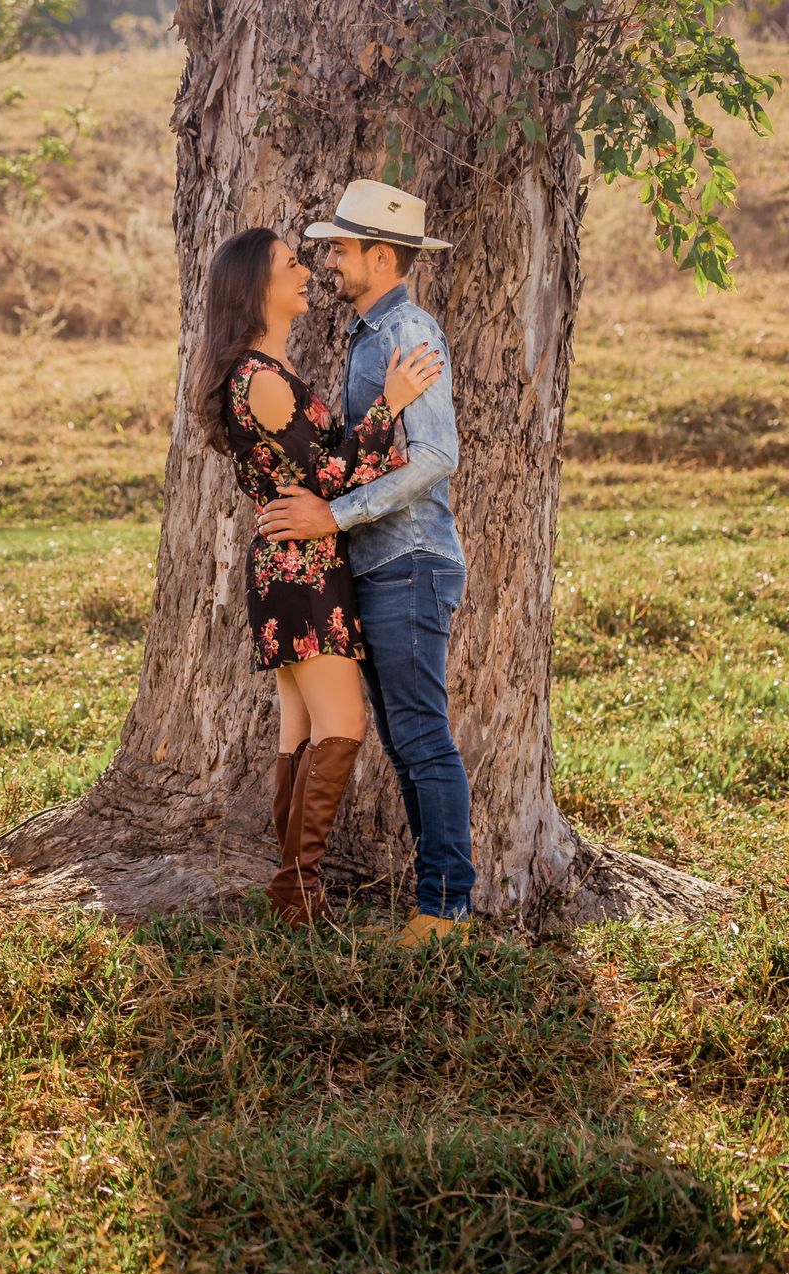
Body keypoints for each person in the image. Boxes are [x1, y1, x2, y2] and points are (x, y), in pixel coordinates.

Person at [193, 226, 443, 927]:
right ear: (255, 288)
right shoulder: (262, 382)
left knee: (299, 732)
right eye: (290, 264)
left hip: (295, 563)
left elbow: (324, 468)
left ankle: (293, 892)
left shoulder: (266, 372)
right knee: (345, 722)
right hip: (300, 568)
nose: (306, 271)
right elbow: (331, 478)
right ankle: (297, 890)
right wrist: (391, 403)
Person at [257, 179, 475, 947]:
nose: (329, 262)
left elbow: (436, 455)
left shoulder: (406, 331)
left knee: (422, 739)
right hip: (381, 566)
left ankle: (447, 908)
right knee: (407, 741)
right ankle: (435, 903)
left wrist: (334, 516)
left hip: (410, 561)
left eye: (341, 250)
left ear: (382, 257)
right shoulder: (370, 334)